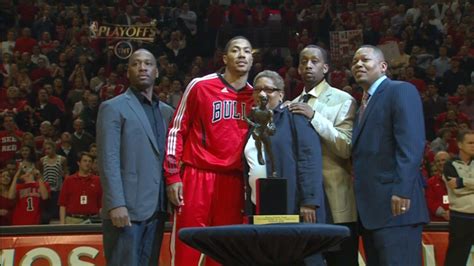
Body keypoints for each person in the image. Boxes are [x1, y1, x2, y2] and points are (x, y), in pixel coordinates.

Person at [164, 36, 254, 266]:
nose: (242, 55)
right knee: (188, 247)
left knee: (225, 250)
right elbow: (176, 131)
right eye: (235, 50)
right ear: (225, 58)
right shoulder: (200, 85)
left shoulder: (256, 96)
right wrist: (173, 175)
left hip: (234, 181)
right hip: (197, 175)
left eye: (247, 51)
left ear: (252, 59)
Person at [351, 45, 429, 265]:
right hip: (371, 212)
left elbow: (411, 145)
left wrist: (402, 191)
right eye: (354, 61)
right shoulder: (362, 105)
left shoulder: (400, 90)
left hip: (397, 207)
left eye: (365, 60)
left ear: (383, 66)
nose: (358, 64)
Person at [97, 48, 174, 266]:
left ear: (156, 72)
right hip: (126, 209)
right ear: (128, 71)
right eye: (136, 63)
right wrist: (116, 204)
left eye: (148, 63)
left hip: (157, 208)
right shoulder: (113, 108)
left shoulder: (167, 112)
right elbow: (107, 160)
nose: (142, 67)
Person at [288, 45, 358, 266]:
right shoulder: (292, 104)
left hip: (336, 201)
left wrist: (315, 116)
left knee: (341, 262)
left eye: (315, 61)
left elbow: (346, 147)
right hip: (303, 203)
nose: (308, 65)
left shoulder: (343, 100)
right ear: (298, 68)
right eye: (303, 61)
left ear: (325, 67)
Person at [244, 70, 325, 223]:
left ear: (281, 95)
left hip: (291, 204)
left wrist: (309, 200)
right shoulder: (251, 124)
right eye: (258, 89)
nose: (262, 94)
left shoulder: (295, 117)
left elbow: (309, 159)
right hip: (259, 205)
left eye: (268, 89)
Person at [443, 129, 474, 266]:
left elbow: (460, 184)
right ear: (460, 145)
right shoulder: (450, 164)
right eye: (470, 143)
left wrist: (462, 181)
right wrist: (462, 185)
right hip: (461, 218)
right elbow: (457, 190)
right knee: (456, 260)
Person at [59, 152, 102, 224]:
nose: (87, 163)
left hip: (93, 220)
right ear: (78, 163)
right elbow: (62, 204)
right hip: (73, 220)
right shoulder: (69, 180)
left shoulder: (97, 181)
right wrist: (62, 224)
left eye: (90, 161)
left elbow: (101, 204)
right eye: (85, 161)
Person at [425, 151, 451, 221]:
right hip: (438, 222)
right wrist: (443, 213)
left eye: (443, 160)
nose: (441, 163)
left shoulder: (458, 179)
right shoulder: (430, 182)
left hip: (458, 217)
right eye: (438, 161)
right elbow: (429, 201)